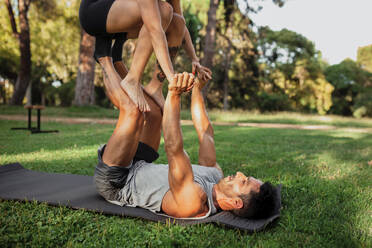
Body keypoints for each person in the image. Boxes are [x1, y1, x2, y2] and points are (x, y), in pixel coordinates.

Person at [94, 72, 278, 219]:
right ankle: (118, 60)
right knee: (155, 113)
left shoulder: (194, 202)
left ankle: (104, 57)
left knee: (133, 112)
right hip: (141, 163)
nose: (239, 174)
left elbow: (174, 148)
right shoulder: (215, 174)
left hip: (118, 181)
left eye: (243, 182)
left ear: (235, 203)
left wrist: (174, 95)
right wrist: (197, 88)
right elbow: (206, 133)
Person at [79, 0, 211, 112]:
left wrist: (194, 59)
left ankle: (156, 88)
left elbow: (181, 25)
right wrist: (172, 77)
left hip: (123, 12)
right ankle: (132, 79)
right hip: (94, 12)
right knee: (162, 11)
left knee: (172, 17)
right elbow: (154, 28)